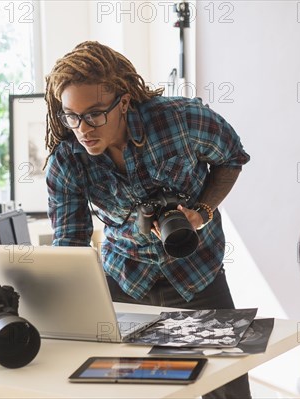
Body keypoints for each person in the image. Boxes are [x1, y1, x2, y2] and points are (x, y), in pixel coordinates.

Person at [44, 41, 251, 398]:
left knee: (226, 387)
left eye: (93, 114)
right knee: (126, 386)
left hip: (197, 272)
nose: (82, 128)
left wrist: (201, 210)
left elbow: (232, 157)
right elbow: (70, 247)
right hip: (125, 277)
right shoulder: (67, 161)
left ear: (123, 102)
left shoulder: (180, 119)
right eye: (71, 116)